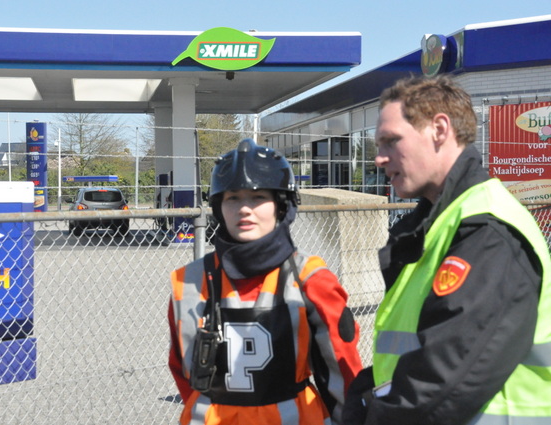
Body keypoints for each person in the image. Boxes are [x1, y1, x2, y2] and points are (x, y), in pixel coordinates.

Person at [342, 75, 551, 425]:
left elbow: (443, 384)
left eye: (391, 141)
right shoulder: (441, 223)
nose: (379, 158)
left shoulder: (486, 228)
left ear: (439, 130)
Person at [169, 138, 363, 425]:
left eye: (258, 197)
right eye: (233, 198)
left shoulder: (311, 279)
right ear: (218, 207)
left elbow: (343, 373)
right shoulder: (188, 281)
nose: (244, 209)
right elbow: (182, 370)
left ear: (281, 205)